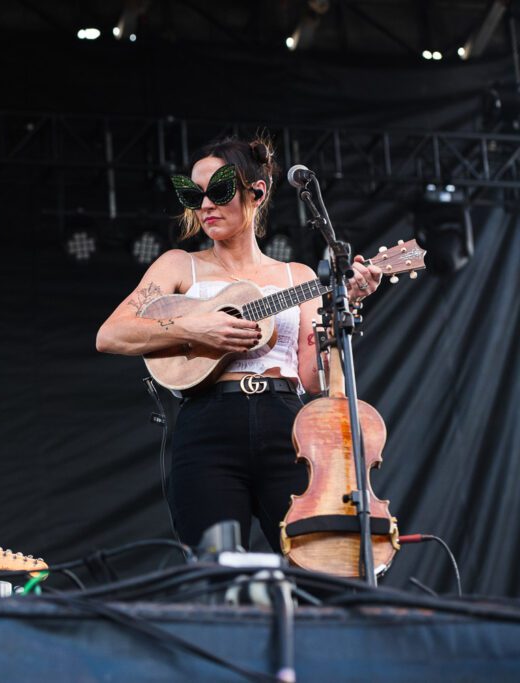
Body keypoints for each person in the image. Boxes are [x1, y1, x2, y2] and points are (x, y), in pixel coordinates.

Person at [95, 137, 383, 552]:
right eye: (193, 195)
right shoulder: (180, 265)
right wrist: (197, 330)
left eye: (220, 191)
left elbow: (314, 379)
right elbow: (111, 334)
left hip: (287, 424)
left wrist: (347, 305)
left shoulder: (297, 277)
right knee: (216, 569)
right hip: (208, 422)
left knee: (316, 557)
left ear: (257, 191)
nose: (205, 205)